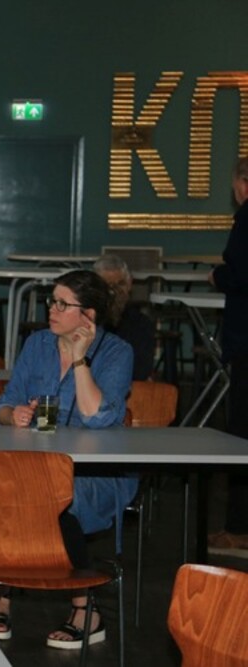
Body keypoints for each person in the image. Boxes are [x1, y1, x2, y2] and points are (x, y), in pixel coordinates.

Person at [0, 269, 134, 650]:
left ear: (88, 316)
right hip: (34, 463)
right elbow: (3, 403)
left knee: (55, 497)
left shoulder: (117, 353)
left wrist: (81, 359)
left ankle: (87, 610)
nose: (51, 310)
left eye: (61, 304)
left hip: (94, 473)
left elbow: (97, 417)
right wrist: (14, 415)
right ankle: (0, 599)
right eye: (51, 301)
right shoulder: (37, 344)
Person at [207, 156, 248, 555]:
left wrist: (217, 275)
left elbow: (240, 274)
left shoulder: (246, 220)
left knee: (241, 436)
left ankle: (238, 529)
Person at [93, 254, 155, 381]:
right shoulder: (83, 320)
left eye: (120, 284)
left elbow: (140, 371)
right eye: (107, 286)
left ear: (129, 284)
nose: (114, 292)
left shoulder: (141, 324)